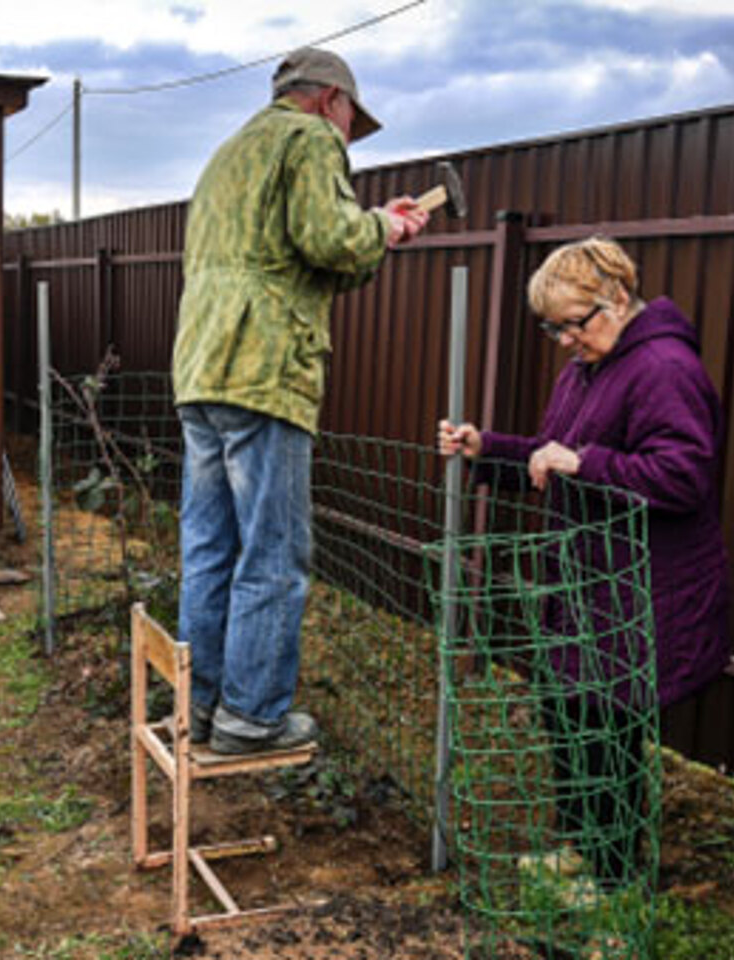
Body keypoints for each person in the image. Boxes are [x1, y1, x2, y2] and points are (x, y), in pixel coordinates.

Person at [438, 236, 731, 888]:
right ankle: (580, 844)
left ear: (618, 299)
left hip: (643, 591)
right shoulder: (592, 366)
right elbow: (556, 455)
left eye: (575, 323)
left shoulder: (662, 367)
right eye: (554, 328)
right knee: (567, 717)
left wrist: (583, 463)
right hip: (586, 584)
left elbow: (683, 476)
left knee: (607, 733)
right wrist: (488, 449)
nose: (566, 339)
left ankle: (616, 878)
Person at [171, 46, 428, 755]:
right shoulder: (310, 138)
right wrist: (383, 227)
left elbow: (307, 259)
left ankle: (196, 705)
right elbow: (330, 237)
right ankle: (252, 717)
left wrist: (374, 230)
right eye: (351, 122)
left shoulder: (230, 153)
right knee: (273, 551)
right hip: (264, 368)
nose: (347, 137)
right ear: (330, 103)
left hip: (201, 368)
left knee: (209, 547)